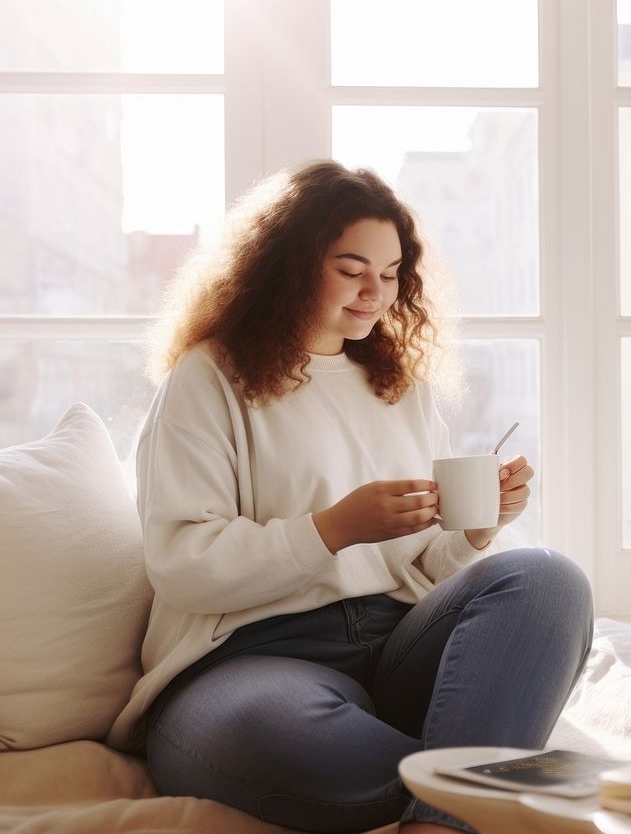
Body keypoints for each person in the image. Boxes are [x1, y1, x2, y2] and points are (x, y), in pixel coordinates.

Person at [106, 160, 594, 834]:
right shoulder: (209, 377)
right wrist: (331, 530)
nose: (376, 292)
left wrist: (478, 532)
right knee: (285, 742)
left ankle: (438, 815)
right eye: (352, 268)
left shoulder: (402, 387)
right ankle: (475, 783)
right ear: (291, 263)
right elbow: (182, 565)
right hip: (251, 660)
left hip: (397, 645)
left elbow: (423, 566)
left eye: (392, 274)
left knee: (546, 579)